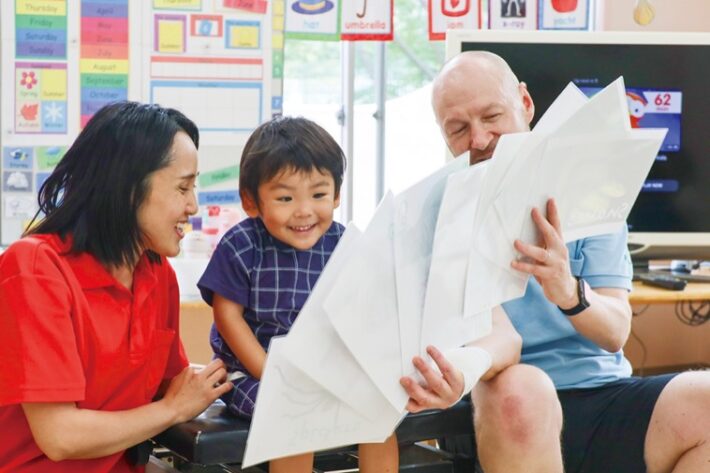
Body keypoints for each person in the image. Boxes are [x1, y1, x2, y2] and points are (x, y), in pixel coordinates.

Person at [400, 51, 710, 473]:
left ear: (525, 104)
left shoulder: (590, 186)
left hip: (600, 393)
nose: (479, 140)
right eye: (458, 129)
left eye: (492, 116)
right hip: (503, 400)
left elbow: (615, 332)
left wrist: (569, 292)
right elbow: (494, 338)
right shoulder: (442, 209)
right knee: (522, 390)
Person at [0, 101, 232, 472]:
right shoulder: (36, 268)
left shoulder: (157, 275)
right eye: (183, 187)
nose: (193, 205)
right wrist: (171, 409)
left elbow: (172, 385)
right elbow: (61, 436)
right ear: (128, 188)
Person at [197, 116, 399, 473]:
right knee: (294, 411)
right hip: (252, 374)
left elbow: (362, 313)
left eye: (319, 194)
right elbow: (227, 318)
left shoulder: (344, 243)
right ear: (251, 201)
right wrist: (273, 374)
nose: (304, 210)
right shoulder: (242, 244)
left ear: (336, 195)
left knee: (380, 407)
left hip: (324, 369)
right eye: (286, 198)